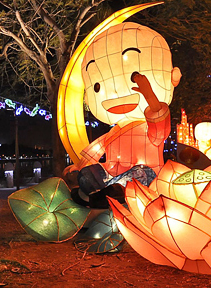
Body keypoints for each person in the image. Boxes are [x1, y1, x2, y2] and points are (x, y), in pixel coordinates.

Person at [64, 22, 181, 207]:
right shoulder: (114, 132)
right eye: (97, 87)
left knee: (140, 173)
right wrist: (79, 168)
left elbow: (160, 126)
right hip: (112, 172)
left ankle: (100, 196)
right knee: (88, 175)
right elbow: (94, 151)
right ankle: (102, 195)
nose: (116, 93)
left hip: (145, 176)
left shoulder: (146, 126)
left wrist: (149, 94)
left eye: (133, 76)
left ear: (173, 76)